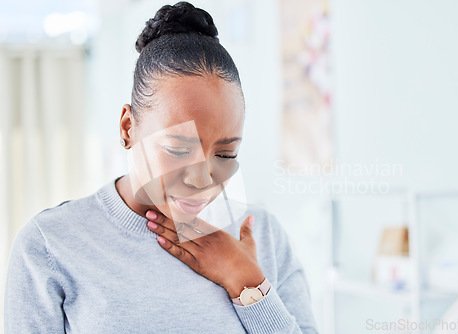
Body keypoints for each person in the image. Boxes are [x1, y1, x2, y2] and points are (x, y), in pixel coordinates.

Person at [4, 2, 319, 333]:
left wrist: (245, 281)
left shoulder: (263, 235)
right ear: (128, 128)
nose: (202, 180)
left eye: (225, 155)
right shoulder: (49, 245)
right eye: (179, 149)